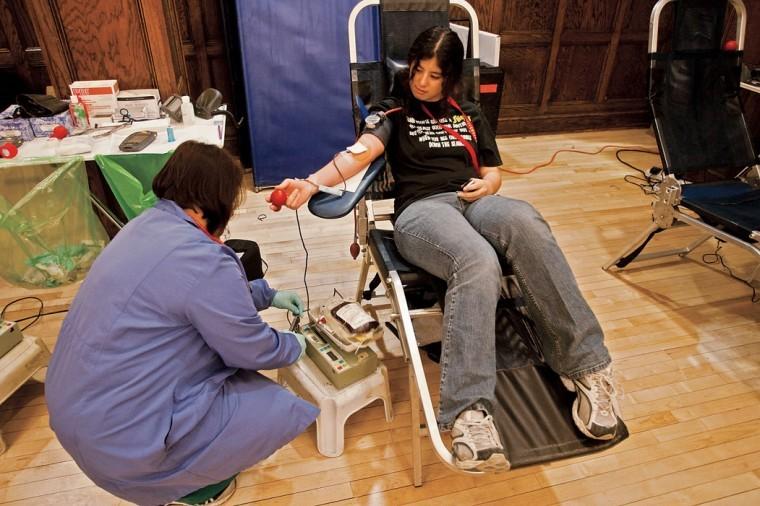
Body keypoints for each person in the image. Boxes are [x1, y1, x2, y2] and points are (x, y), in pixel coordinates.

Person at [267, 27, 621, 473]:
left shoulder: (469, 112)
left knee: (527, 222)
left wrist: (487, 184)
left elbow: (494, 171)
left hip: (475, 199)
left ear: (450, 77)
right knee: (477, 259)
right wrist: (312, 182)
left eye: (435, 76)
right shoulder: (393, 109)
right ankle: (469, 411)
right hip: (422, 212)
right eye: (417, 71)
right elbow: (357, 155)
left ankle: (587, 366)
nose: (422, 82)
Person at [46, 141, 319, 505]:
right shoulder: (203, 259)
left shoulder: (143, 225)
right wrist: (290, 346)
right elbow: (250, 349)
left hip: (77, 412)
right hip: (121, 444)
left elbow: (192, 298)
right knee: (272, 407)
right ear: (218, 201)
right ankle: (194, 488)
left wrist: (266, 294)